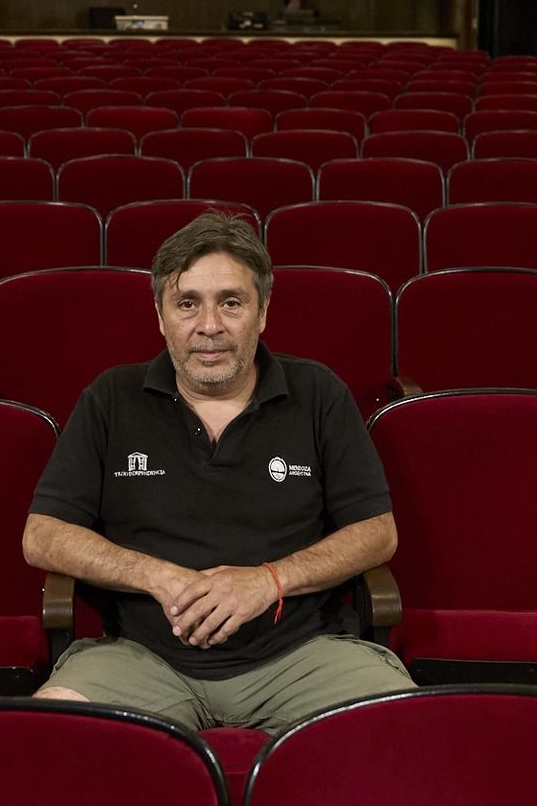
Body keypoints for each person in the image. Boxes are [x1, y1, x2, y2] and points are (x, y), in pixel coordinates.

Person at [22, 211, 413, 734]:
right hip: (143, 660)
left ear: (263, 312)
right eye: (188, 304)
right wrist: (158, 576)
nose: (210, 326)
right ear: (161, 316)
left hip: (298, 659)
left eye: (231, 302)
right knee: (45, 744)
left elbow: (376, 533)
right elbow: (43, 536)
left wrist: (268, 581)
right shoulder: (111, 399)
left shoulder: (318, 394)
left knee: (410, 739)